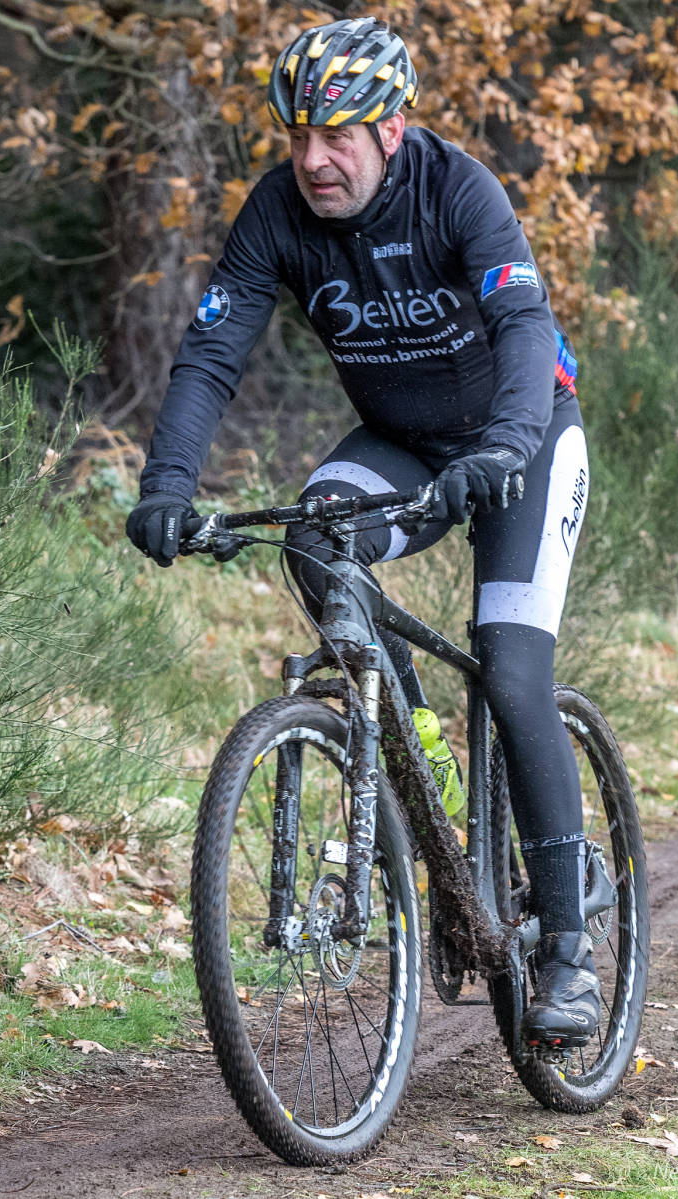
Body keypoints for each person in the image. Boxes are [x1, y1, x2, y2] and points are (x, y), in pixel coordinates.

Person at [126, 16, 599, 1049]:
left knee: (510, 666)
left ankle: (568, 946)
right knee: (314, 541)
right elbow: (211, 353)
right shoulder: (275, 211)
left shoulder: (457, 189)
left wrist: (503, 447)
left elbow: (524, 328)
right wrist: (167, 486)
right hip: (400, 441)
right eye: (298, 136)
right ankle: (419, 756)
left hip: (522, 437)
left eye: (335, 135)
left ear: (390, 129)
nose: (312, 159)